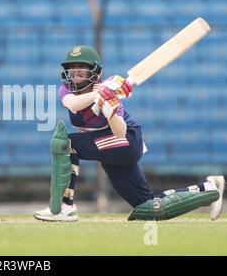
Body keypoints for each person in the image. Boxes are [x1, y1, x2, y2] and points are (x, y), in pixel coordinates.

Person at [34, 45, 224, 222]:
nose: (75, 76)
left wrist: (109, 108)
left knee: (66, 143)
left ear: (94, 73)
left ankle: (64, 207)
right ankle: (208, 188)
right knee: (148, 208)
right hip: (109, 148)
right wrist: (100, 94)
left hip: (126, 141)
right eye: (71, 71)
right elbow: (73, 105)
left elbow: (120, 131)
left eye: (80, 71)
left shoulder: (110, 93)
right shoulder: (68, 89)